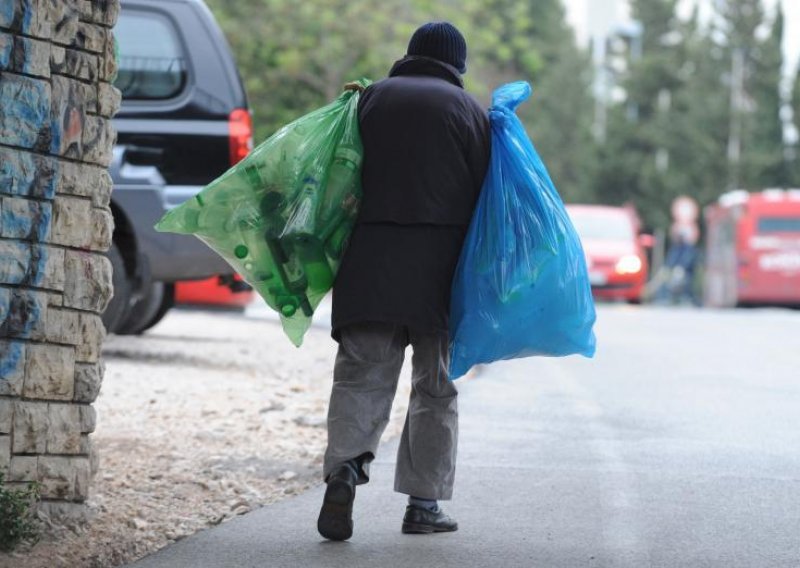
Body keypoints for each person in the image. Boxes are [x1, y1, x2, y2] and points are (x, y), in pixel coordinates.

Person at [317, 22, 491, 541]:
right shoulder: (469, 113)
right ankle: (423, 504)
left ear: (410, 56)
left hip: (369, 263)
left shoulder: (368, 100)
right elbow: (488, 198)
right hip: (441, 271)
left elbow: (335, 174)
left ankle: (345, 470)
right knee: (434, 387)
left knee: (361, 376)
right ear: (456, 66)